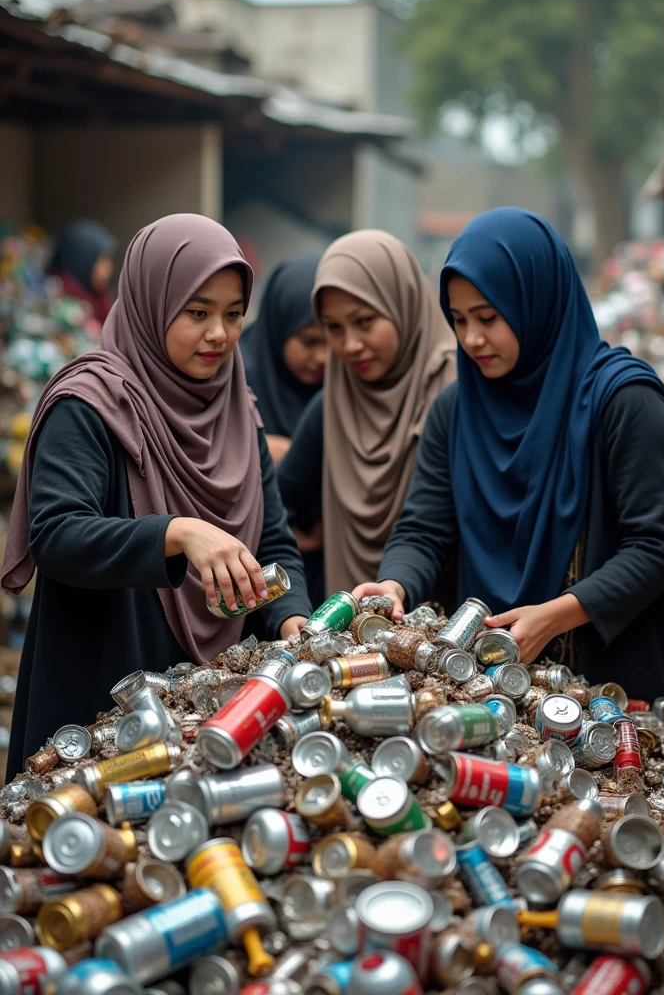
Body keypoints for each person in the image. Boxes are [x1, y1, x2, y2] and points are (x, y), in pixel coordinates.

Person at [2, 214, 312, 779]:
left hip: (210, 717)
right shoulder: (90, 403)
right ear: (151, 300)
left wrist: (291, 619)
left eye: (234, 313)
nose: (219, 333)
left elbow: (273, 544)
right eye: (198, 312)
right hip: (100, 704)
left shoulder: (238, 409)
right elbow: (56, 535)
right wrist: (178, 532)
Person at [354, 208, 664, 700]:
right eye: (458, 320)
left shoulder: (624, 402)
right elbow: (424, 527)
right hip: (492, 688)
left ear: (538, 302)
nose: (471, 339)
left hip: (612, 692)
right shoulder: (457, 408)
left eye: (488, 317)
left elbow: (658, 545)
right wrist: (395, 584)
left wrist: (558, 613)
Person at [278, 229, 457, 601]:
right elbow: (274, 508)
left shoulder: (455, 392)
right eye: (334, 328)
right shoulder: (333, 405)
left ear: (402, 303)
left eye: (364, 321)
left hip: (453, 634)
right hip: (350, 637)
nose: (350, 345)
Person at [240, 254, 326, 466]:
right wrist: (250, 449)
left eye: (333, 340)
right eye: (310, 341)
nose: (324, 357)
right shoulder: (232, 380)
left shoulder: (346, 382)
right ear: (278, 327)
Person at [50, 219, 117, 325]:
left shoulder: (99, 298)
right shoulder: (56, 295)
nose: (109, 268)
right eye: (102, 260)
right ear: (83, 259)